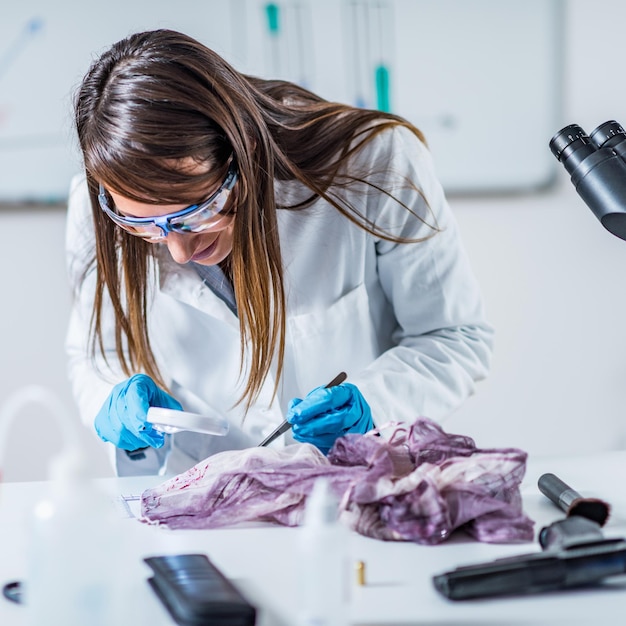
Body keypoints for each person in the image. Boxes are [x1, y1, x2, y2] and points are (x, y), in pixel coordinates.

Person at [65, 29, 494, 476]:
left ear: (243, 150)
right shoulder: (97, 207)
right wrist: (111, 398)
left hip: (346, 484)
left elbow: (453, 337)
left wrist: (375, 402)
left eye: (198, 211)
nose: (178, 250)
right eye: (145, 226)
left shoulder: (375, 163)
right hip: (197, 488)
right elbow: (96, 355)